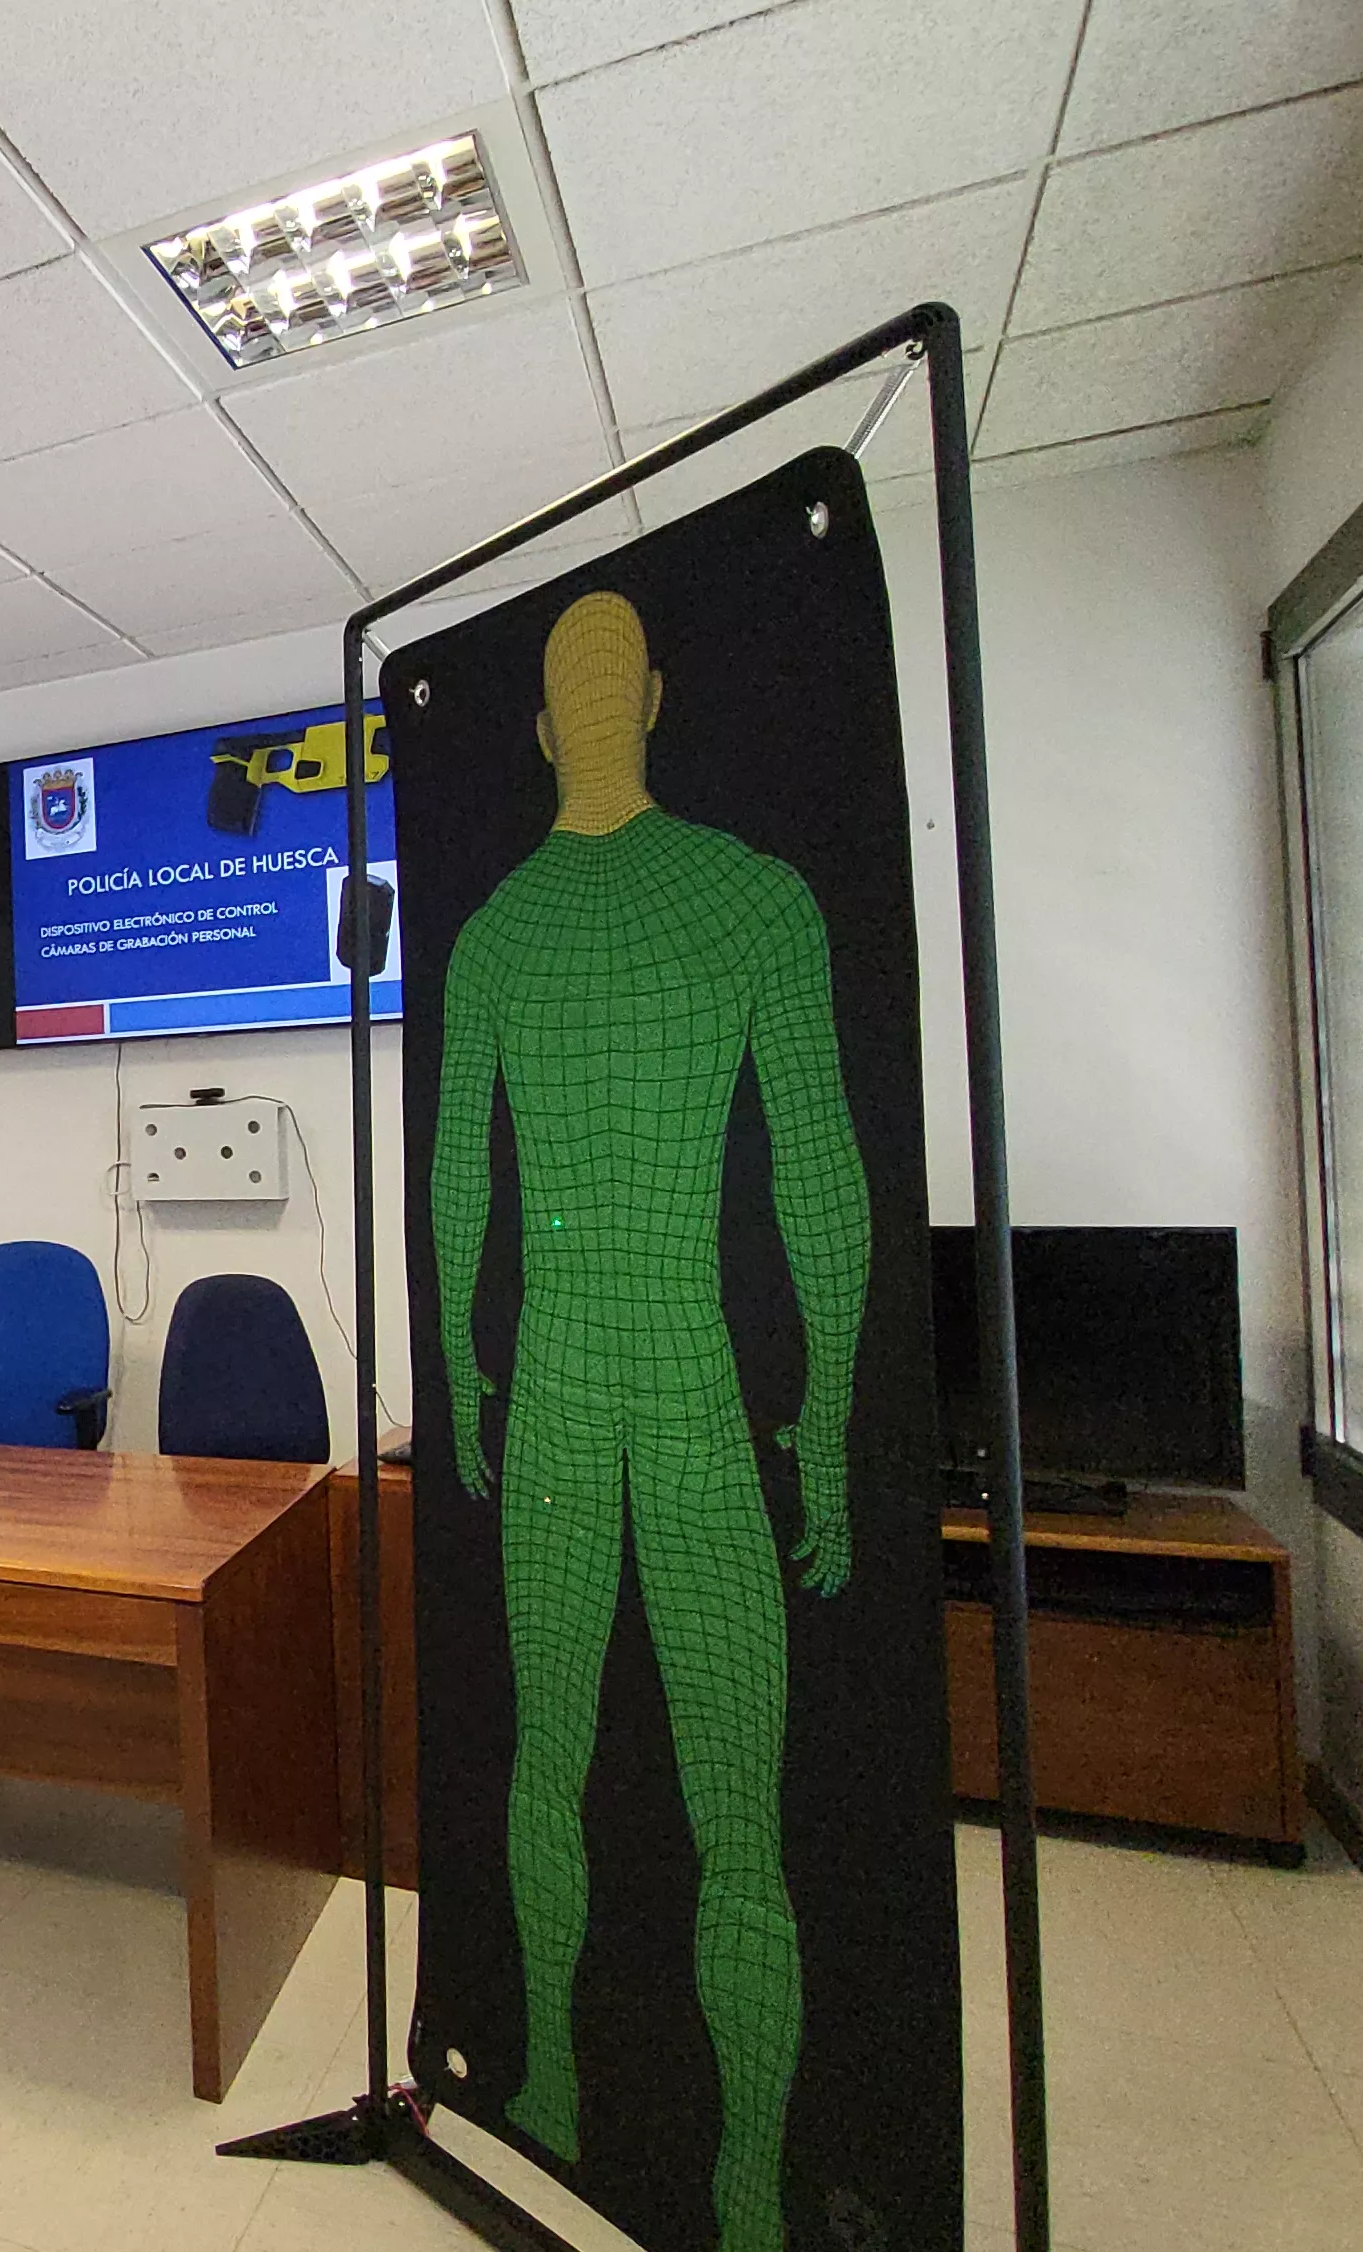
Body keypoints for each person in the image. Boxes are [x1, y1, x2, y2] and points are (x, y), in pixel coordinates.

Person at [425, 591, 868, 2252]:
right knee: (731, 1817)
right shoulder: (753, 898)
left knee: (551, 1761)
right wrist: (821, 1410)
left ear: (546, 728)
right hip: (683, 1375)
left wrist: (463, 1365)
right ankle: (743, 2186)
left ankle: (551, 2087)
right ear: (655, 701)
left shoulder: (496, 935)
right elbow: (820, 1176)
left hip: (551, 1381)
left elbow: (461, 1180)